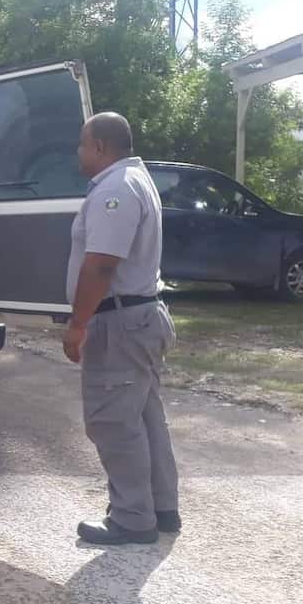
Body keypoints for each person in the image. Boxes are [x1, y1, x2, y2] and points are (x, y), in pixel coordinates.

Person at [63, 112, 179, 546]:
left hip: (120, 322)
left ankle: (132, 517)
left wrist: (77, 324)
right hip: (138, 317)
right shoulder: (133, 180)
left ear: (99, 147)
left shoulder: (115, 188)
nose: (78, 152)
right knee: (145, 416)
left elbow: (103, 264)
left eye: (81, 144)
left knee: (113, 421)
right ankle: (160, 507)